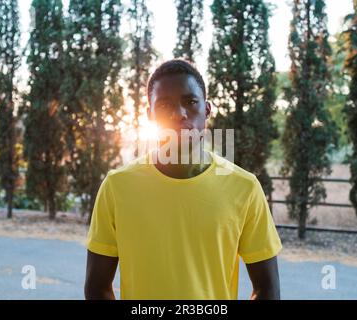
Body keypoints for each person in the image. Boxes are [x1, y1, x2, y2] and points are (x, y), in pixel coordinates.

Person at [84, 59, 282, 300]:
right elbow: (97, 288)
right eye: (165, 105)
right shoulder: (117, 187)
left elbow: (267, 290)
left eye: (190, 102)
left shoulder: (245, 187)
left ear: (207, 109)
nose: (179, 114)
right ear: (150, 115)